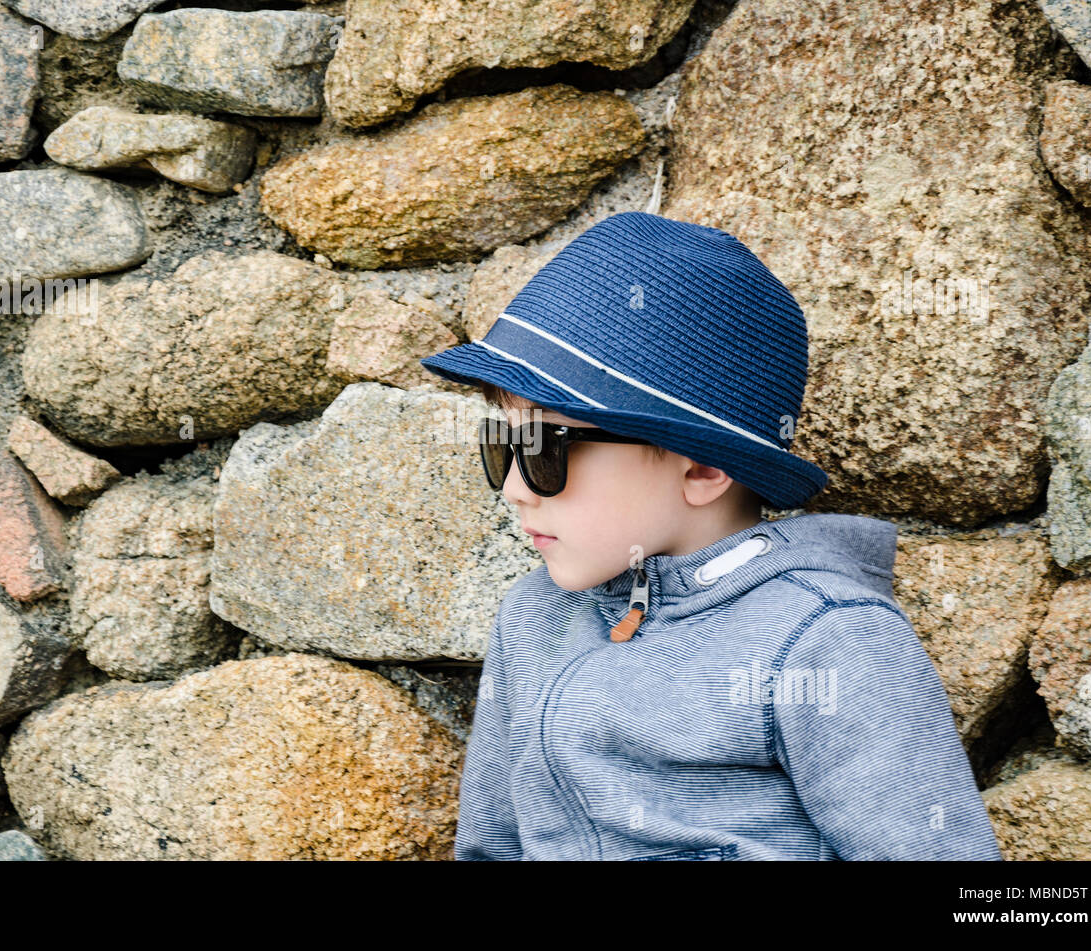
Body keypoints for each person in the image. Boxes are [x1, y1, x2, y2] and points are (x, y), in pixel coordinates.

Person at [419, 211, 1003, 861]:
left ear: (702, 468)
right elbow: (489, 848)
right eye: (503, 442)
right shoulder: (531, 620)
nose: (514, 488)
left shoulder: (827, 637)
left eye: (545, 448)